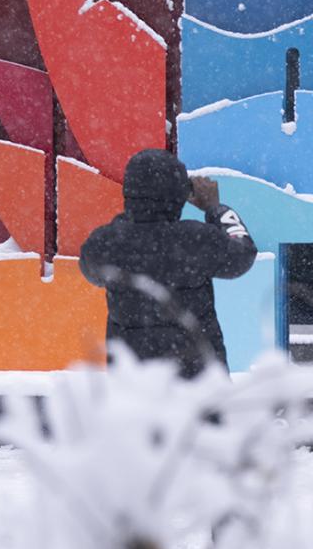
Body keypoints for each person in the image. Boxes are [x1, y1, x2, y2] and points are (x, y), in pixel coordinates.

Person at [80, 149, 257, 378]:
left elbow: (91, 269)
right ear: (180, 194)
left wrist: (131, 221)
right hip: (199, 387)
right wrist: (216, 208)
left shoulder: (105, 244)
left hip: (132, 389)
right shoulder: (196, 239)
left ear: (129, 193)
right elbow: (243, 253)